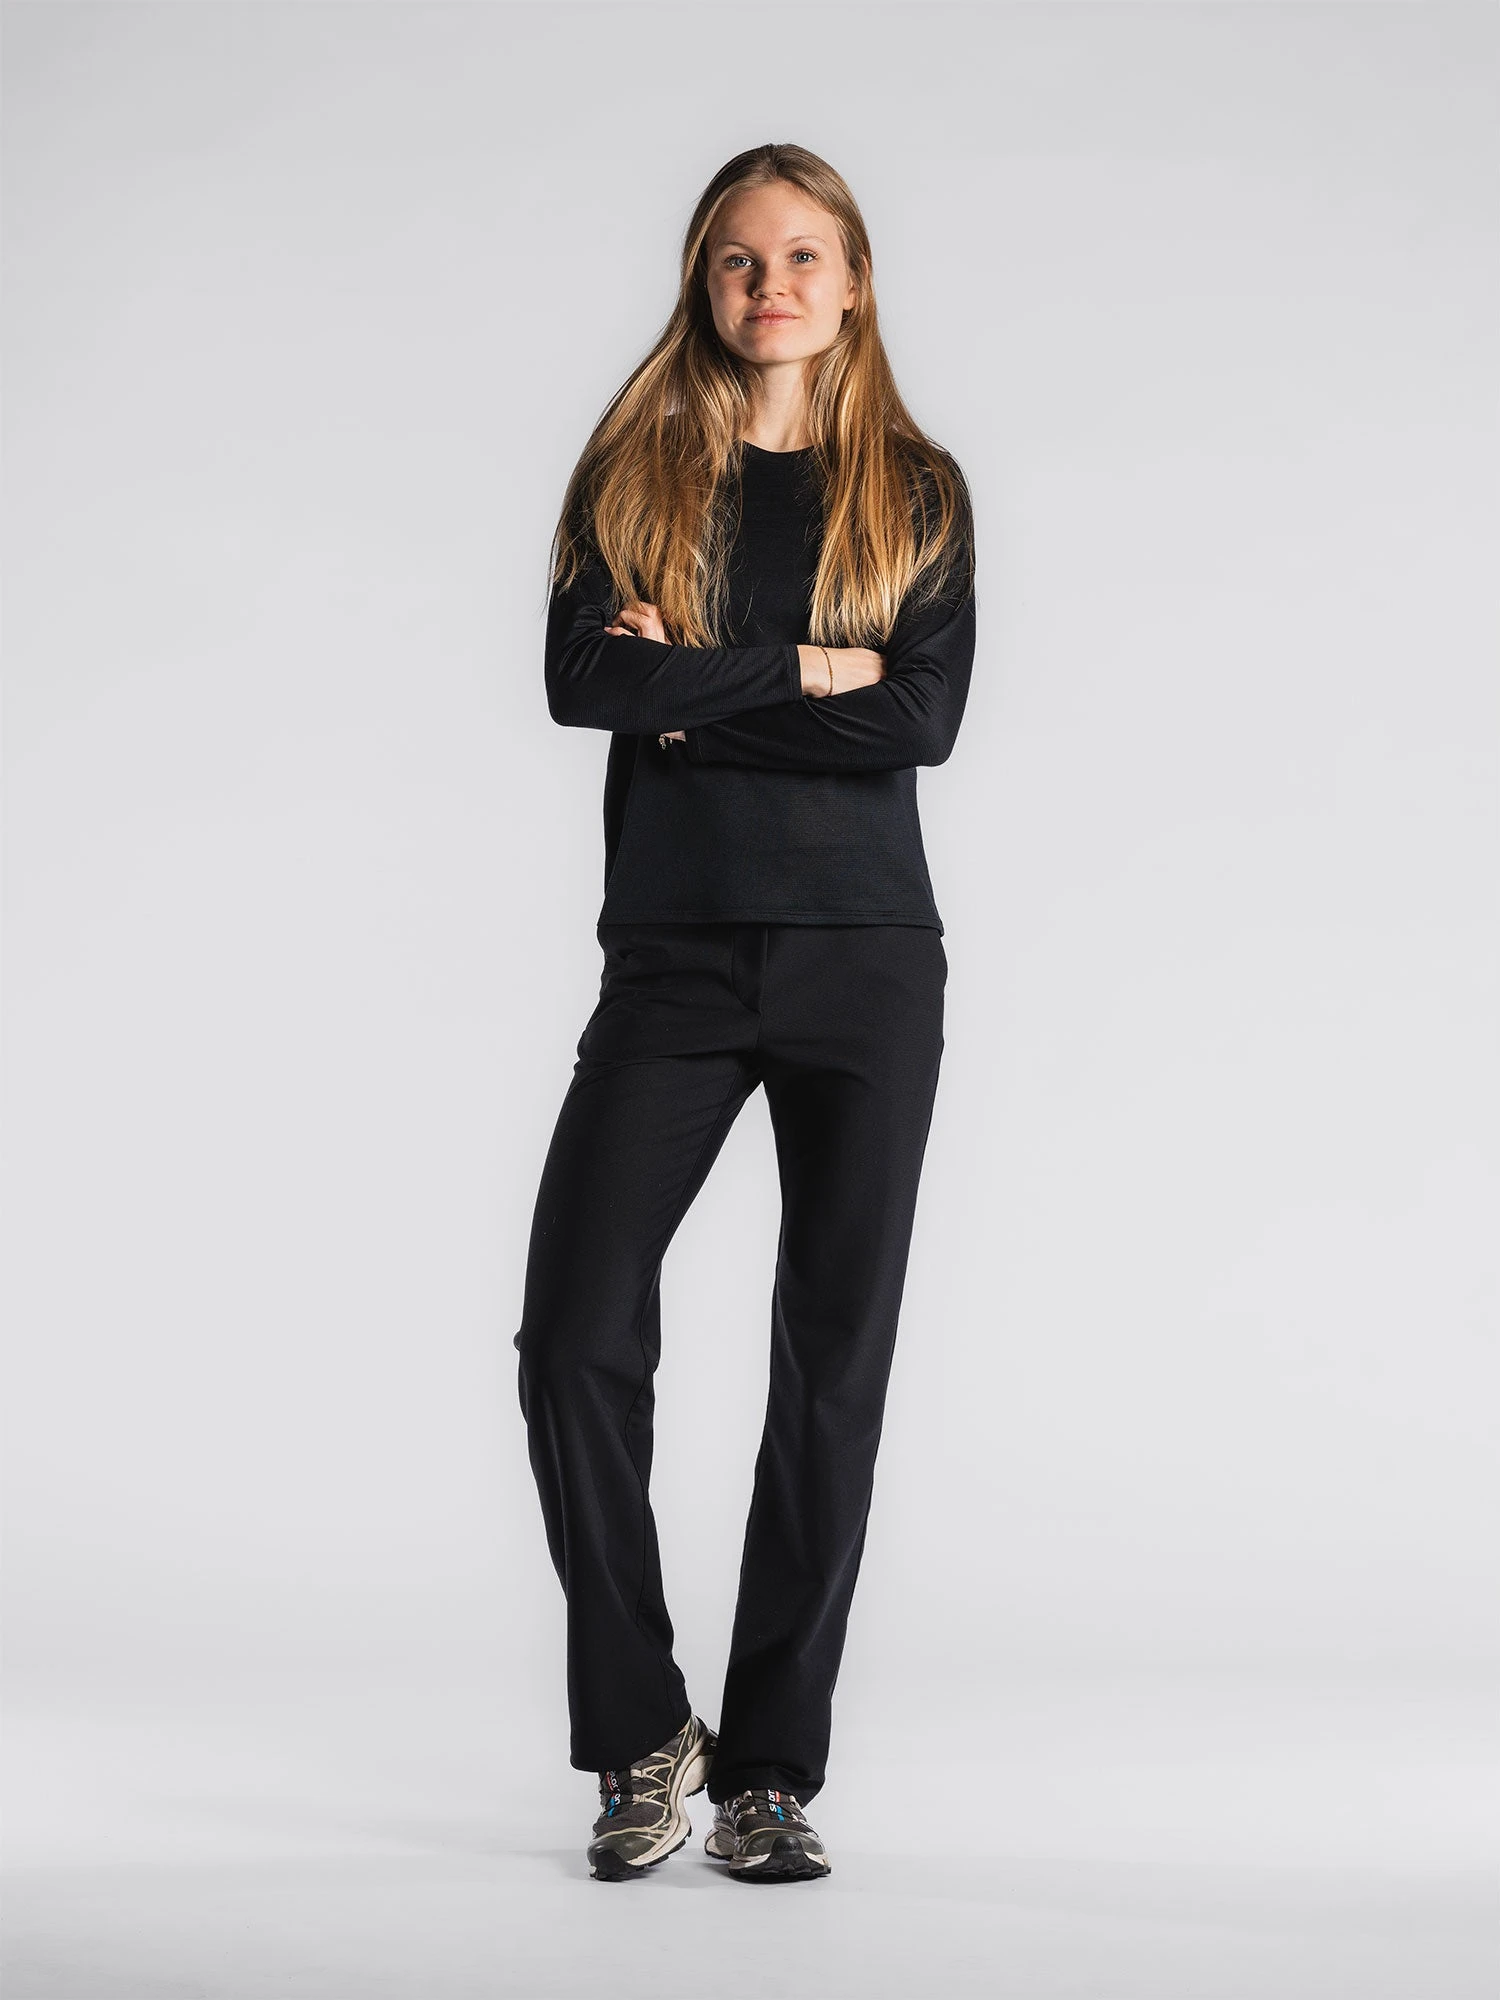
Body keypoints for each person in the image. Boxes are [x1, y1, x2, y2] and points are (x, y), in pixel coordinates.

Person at [513, 141, 977, 1884]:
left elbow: (920, 721)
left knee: (830, 1364)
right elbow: (584, 682)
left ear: (851, 284)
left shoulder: (915, 491)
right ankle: (645, 1734)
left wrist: (693, 688)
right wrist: (801, 667)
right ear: (704, 284)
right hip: (676, 960)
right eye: (737, 259)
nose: (769, 286)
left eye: (801, 257)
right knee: (573, 1335)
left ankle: (772, 1772)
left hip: (869, 960)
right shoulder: (636, 469)